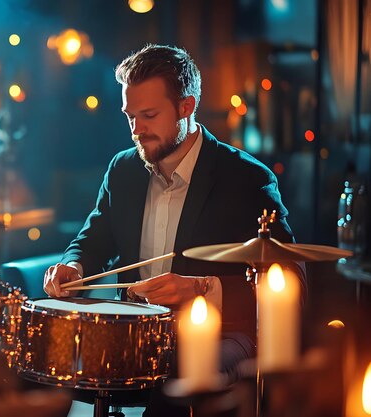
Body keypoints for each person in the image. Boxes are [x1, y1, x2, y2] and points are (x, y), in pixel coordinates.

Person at [43, 44, 306, 416]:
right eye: (130, 116)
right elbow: (92, 238)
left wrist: (200, 288)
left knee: (177, 378)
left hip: (222, 332)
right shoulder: (123, 169)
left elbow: (293, 281)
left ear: (187, 106)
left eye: (149, 115)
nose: (137, 130)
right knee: (35, 366)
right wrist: (73, 266)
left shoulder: (247, 178)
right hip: (135, 334)